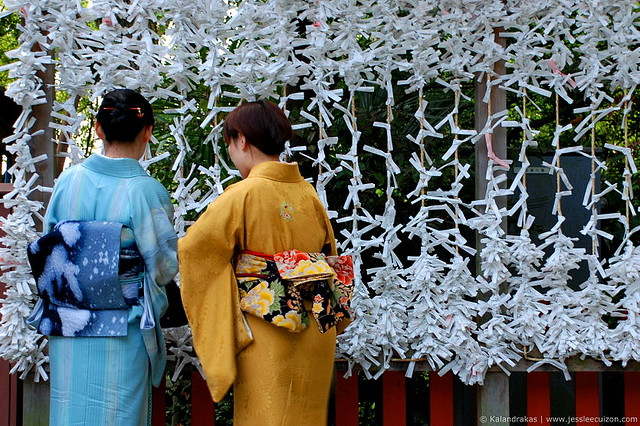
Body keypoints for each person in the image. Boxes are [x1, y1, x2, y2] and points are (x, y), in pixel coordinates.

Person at [179, 99, 354, 425]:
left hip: (268, 324)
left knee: (268, 413)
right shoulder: (307, 193)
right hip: (314, 327)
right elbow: (329, 252)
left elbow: (195, 251)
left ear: (241, 139)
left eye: (230, 143)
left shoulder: (243, 193)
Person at [27, 89, 178, 425]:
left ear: (97, 128)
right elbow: (163, 268)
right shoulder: (145, 190)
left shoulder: (69, 181)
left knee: (71, 413)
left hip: (69, 326)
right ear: (148, 131)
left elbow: (50, 247)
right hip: (122, 328)